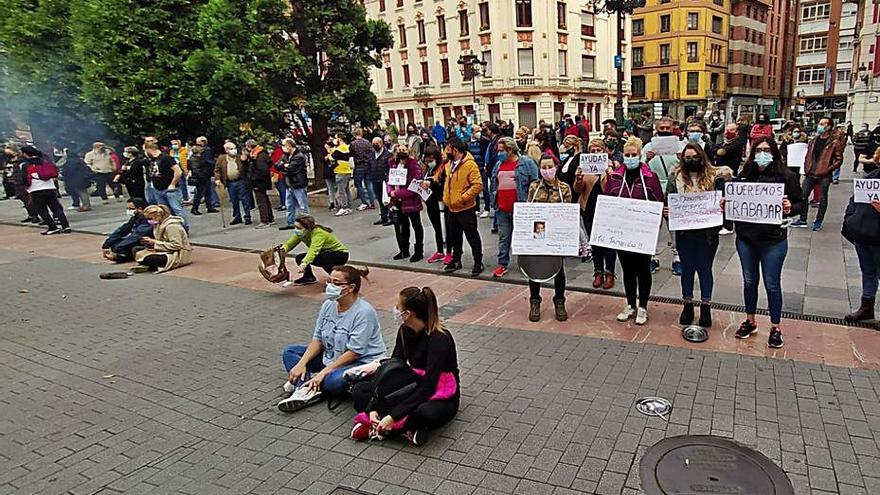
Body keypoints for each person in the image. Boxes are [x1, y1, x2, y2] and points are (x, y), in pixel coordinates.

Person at [350, 286, 459, 445]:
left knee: (425, 412)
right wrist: (373, 407)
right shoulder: (404, 331)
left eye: (398, 307)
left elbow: (428, 387)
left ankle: (387, 426)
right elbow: (392, 368)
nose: (395, 310)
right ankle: (400, 427)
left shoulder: (439, 339)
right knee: (359, 390)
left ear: (407, 314)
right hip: (412, 383)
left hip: (439, 390)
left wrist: (392, 415)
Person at [277, 265, 386, 411]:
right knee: (290, 352)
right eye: (329, 281)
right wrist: (301, 364)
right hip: (332, 356)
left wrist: (322, 373)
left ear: (350, 287)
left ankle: (306, 386)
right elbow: (318, 339)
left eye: (336, 283)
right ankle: (306, 389)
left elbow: (354, 352)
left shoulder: (364, 312)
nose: (329, 286)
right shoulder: (328, 305)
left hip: (358, 362)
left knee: (332, 382)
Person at [731, 137, 803, 349]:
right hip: (746, 238)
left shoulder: (787, 176)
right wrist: (728, 204)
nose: (762, 154)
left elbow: (801, 203)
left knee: (772, 284)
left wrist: (791, 206)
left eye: (766, 150)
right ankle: (750, 320)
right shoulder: (744, 176)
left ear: (774, 152)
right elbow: (734, 202)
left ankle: (775, 326)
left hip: (773, 240)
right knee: (749, 280)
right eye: (758, 150)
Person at [604, 137, 664, 325]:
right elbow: (608, 201)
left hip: (642, 232)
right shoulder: (614, 177)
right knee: (627, 269)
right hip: (622, 233)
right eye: (627, 155)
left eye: (633, 155)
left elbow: (658, 201)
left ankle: (643, 306)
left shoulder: (650, 177)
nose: (630, 158)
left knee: (643, 270)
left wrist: (655, 225)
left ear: (640, 155)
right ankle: (630, 304)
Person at [664, 143, 725, 327]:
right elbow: (668, 198)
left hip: (707, 234)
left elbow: (723, 199)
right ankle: (688, 304)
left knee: (705, 269)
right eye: (687, 157)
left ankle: (705, 306)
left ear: (702, 157)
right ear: (682, 159)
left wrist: (723, 205)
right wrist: (667, 210)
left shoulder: (715, 177)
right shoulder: (675, 178)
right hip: (685, 232)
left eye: (695, 157)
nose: (691, 160)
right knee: (687, 269)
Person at [526, 153, 573, 322]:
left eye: (549, 167)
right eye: (543, 168)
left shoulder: (564, 188)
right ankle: (535, 302)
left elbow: (568, 213)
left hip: (557, 236)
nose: (547, 171)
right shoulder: (534, 187)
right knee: (534, 269)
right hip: (538, 234)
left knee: (559, 270)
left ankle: (559, 302)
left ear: (556, 167)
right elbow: (529, 210)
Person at [490, 137, 539, 278]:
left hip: (521, 209)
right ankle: (502, 264)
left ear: (510, 150)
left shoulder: (526, 163)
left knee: (524, 237)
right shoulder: (498, 164)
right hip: (502, 208)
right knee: (504, 237)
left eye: (501, 150)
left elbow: (535, 184)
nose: (499, 153)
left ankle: (526, 264)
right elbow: (494, 184)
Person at [576, 138, 619, 289]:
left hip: (606, 211)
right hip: (589, 209)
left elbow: (613, 190)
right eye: (592, 150)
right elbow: (577, 189)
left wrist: (610, 174)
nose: (595, 153)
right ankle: (598, 272)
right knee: (595, 243)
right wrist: (578, 179)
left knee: (608, 244)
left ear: (604, 152)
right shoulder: (584, 168)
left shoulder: (612, 167)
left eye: (598, 150)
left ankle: (610, 273)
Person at [642, 117, 682, 275]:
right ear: (656, 128)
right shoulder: (648, 147)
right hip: (654, 189)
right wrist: (647, 158)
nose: (664, 130)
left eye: (667, 127)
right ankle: (653, 257)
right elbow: (640, 168)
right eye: (662, 127)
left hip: (674, 189)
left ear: (673, 128)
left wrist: (681, 159)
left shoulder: (680, 146)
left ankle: (677, 258)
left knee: (674, 226)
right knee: (653, 225)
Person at [790, 117, 845, 231]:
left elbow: (839, 159)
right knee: (803, 195)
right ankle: (803, 219)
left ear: (828, 127)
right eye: (819, 123)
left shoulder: (834, 142)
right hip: (811, 172)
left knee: (822, 198)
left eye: (822, 124)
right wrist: (806, 167)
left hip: (824, 174)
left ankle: (818, 221)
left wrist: (828, 169)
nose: (819, 126)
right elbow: (808, 155)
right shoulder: (814, 140)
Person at [843, 166, 880, 325]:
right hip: (862, 234)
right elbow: (854, 200)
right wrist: (850, 219)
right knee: (867, 272)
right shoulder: (870, 178)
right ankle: (866, 307)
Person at [442, 138, 484, 275]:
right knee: (455, 236)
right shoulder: (449, 164)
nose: (445, 152)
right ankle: (456, 259)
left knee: (472, 236)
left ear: (455, 149)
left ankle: (478, 262)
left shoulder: (470, 164)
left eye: (447, 149)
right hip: (451, 207)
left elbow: (477, 185)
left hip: (465, 208)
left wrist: (463, 198)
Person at [281, 214, 350, 285]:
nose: (296, 230)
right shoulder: (302, 233)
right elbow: (289, 244)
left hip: (341, 254)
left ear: (308, 228)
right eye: (295, 227)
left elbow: (313, 250)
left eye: (298, 228)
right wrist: (281, 250)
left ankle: (336, 280)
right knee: (299, 257)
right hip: (324, 253)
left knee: (324, 258)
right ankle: (308, 277)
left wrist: (305, 262)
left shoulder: (318, 233)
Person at [387, 144, 425, 262]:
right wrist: (390, 192)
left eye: (403, 150)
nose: (401, 152)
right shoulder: (393, 163)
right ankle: (404, 250)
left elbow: (415, 186)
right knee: (403, 226)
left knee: (416, 226)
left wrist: (397, 194)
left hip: (410, 201)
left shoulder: (414, 165)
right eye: (399, 150)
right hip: (397, 201)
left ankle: (419, 251)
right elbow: (389, 180)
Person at [22, 146, 71, 235]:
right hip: (50, 187)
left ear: (25, 154)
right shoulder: (45, 161)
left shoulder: (25, 165)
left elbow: (25, 179)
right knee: (56, 208)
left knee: (42, 210)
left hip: (36, 189)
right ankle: (66, 226)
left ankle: (53, 227)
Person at [143, 142, 189, 230]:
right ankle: (169, 229)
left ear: (149, 149)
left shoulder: (166, 158)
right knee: (164, 211)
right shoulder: (151, 160)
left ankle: (184, 228)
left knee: (177, 209)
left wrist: (173, 184)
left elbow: (178, 171)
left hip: (170, 190)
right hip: (158, 189)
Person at [134, 205, 193, 272]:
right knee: (136, 250)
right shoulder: (158, 224)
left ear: (158, 216)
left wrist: (154, 242)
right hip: (164, 249)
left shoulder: (172, 226)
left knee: (150, 259)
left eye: (150, 218)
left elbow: (177, 245)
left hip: (177, 253)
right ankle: (148, 264)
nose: (148, 221)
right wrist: (150, 242)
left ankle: (149, 265)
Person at [419, 146, 451, 265]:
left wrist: (431, 182)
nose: (429, 163)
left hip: (442, 201)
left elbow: (440, 182)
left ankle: (449, 251)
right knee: (437, 227)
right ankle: (439, 250)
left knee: (446, 227)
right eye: (427, 161)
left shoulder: (443, 168)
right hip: (431, 202)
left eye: (431, 160)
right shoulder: (427, 169)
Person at [102, 198, 153, 262]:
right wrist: (106, 245)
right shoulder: (135, 218)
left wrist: (117, 248)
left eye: (131, 209)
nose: (129, 210)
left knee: (130, 248)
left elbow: (136, 236)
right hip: (137, 240)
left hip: (145, 242)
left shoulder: (148, 220)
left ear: (140, 209)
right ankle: (121, 256)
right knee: (114, 243)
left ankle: (122, 257)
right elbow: (122, 230)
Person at [214, 141, 252, 225]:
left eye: (234, 148)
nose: (233, 150)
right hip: (230, 182)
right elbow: (217, 170)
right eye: (231, 149)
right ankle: (237, 216)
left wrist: (245, 159)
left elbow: (247, 166)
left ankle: (248, 216)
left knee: (245, 200)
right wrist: (217, 179)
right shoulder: (222, 158)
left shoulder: (239, 157)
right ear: (226, 150)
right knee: (234, 200)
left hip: (240, 181)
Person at [275, 139, 310, 230]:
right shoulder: (285, 156)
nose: (283, 147)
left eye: (284, 145)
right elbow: (277, 165)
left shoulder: (299, 156)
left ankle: (306, 223)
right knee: (289, 205)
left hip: (298, 183)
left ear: (289, 145)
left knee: (302, 205)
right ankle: (290, 222)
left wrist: (284, 166)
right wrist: (284, 166)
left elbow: (291, 169)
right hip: (289, 184)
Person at [242, 139, 274, 228]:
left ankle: (265, 220)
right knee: (265, 199)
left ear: (249, 146)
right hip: (261, 181)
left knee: (261, 201)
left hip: (259, 182)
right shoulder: (258, 154)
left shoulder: (259, 155)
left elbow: (261, 170)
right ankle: (270, 217)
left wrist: (253, 178)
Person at [187, 144, 218, 215]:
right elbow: (196, 170)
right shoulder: (194, 159)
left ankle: (209, 207)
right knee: (199, 194)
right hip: (200, 179)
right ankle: (194, 208)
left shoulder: (199, 157)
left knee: (207, 192)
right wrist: (203, 176)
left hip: (205, 177)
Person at [350, 129, 376, 211]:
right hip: (368, 165)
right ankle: (372, 202)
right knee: (368, 184)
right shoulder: (367, 142)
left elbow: (351, 154)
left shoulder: (353, 144)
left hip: (359, 165)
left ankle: (364, 202)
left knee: (359, 185)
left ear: (354, 134)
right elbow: (372, 152)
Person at [327, 134, 353, 216]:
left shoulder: (341, 148)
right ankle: (348, 205)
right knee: (346, 189)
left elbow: (332, 157)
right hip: (345, 170)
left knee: (341, 190)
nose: (334, 140)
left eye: (335, 138)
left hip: (341, 171)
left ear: (340, 139)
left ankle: (344, 207)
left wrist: (329, 150)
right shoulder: (345, 147)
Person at [369, 137, 392, 226]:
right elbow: (370, 165)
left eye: (376, 144)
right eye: (373, 144)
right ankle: (383, 217)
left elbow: (390, 167)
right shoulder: (371, 155)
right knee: (379, 199)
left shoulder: (387, 155)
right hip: (375, 179)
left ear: (381, 143)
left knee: (387, 199)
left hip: (384, 180)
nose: (375, 146)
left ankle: (390, 217)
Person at [168, 139, 190, 204]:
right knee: (178, 184)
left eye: (175, 144)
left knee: (183, 184)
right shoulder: (171, 151)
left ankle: (185, 198)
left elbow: (187, 160)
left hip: (182, 168)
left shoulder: (184, 151)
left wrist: (187, 170)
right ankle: (180, 198)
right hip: (174, 169)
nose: (173, 145)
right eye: (172, 144)